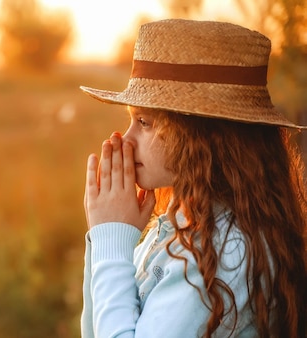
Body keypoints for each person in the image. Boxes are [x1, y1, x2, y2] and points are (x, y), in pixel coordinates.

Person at [79, 19, 307, 338]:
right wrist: (105, 238)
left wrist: (112, 240)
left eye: (144, 122)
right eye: (131, 120)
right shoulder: (178, 226)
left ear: (202, 137)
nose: (125, 139)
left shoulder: (227, 252)